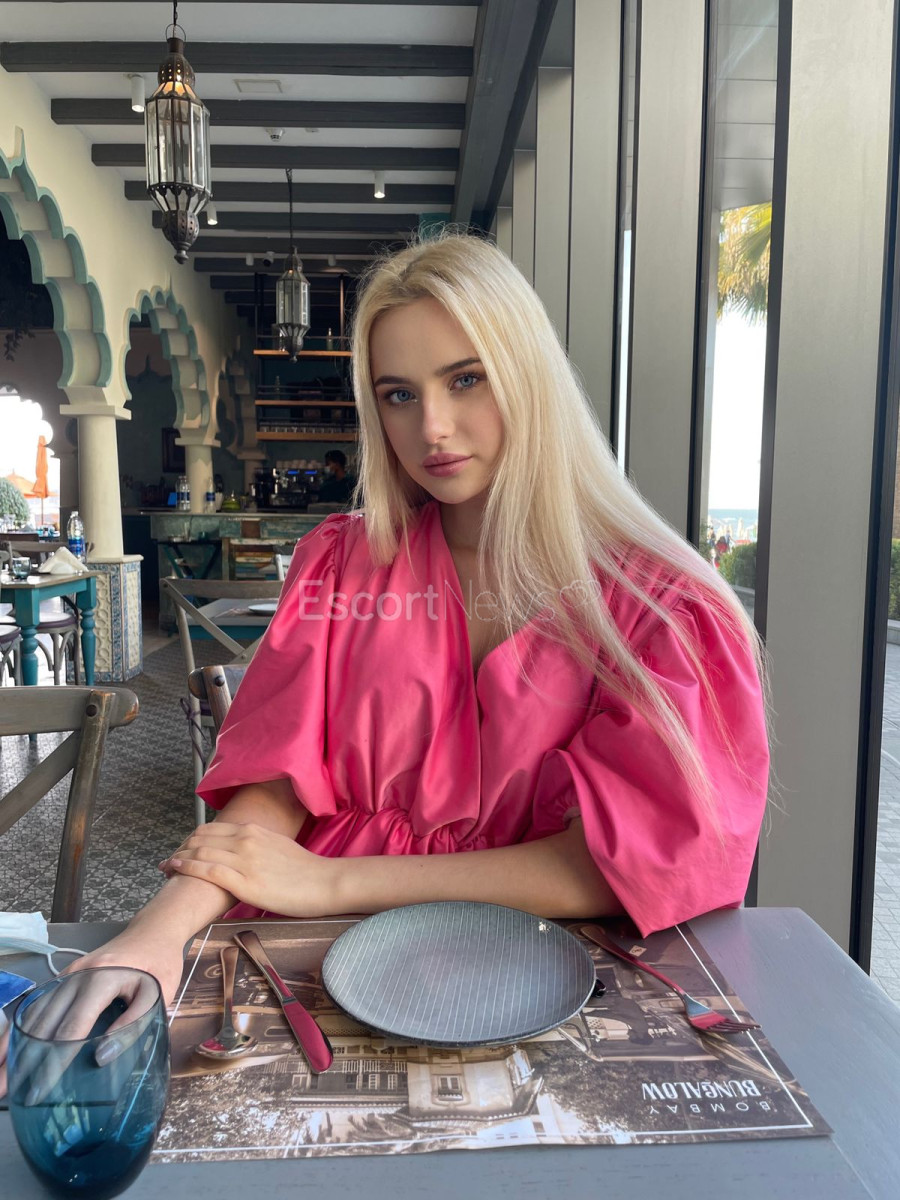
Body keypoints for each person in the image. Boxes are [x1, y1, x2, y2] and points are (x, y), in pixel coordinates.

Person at [0, 233, 771, 1092]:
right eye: (398, 394)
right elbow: (276, 788)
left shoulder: (660, 610)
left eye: (466, 379)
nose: (430, 428)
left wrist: (332, 880)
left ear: (531, 377)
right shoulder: (342, 563)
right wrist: (155, 936)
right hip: (318, 965)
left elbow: (610, 863)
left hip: (555, 979)